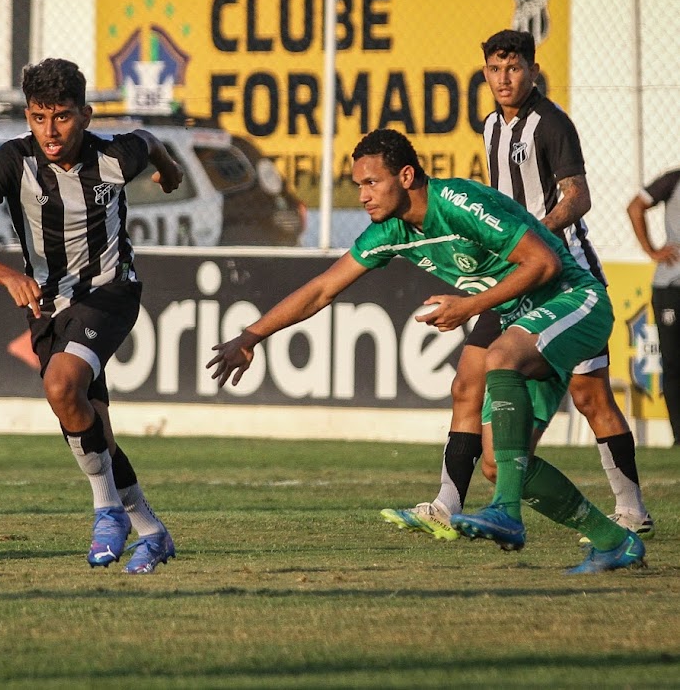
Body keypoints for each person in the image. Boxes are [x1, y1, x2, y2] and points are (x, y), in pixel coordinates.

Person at [208, 128, 646, 573]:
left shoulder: (458, 202)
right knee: (499, 463)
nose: (363, 195)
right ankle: (613, 541)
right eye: (358, 184)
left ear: (406, 175)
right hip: (522, 321)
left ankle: (508, 516)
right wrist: (252, 336)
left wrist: (469, 306)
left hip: (574, 301)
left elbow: (545, 263)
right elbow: (322, 289)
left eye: (371, 183)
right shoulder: (390, 232)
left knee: (498, 358)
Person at [380, 29, 653, 542]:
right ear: (484, 73)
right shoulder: (489, 126)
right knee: (467, 379)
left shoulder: (551, 124)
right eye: (495, 68)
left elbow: (579, 197)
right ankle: (445, 504)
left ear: (532, 70)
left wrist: (532, 239)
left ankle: (630, 509)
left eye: (513, 67)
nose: (504, 78)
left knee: (591, 396)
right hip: (509, 278)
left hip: (562, 275)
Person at [0, 57, 182, 574]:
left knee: (60, 386)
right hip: (47, 305)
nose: (50, 131)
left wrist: (170, 169)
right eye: (38, 117)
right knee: (93, 425)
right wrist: (8, 275)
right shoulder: (13, 161)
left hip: (111, 292)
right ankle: (152, 533)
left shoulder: (115, 159)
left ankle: (105, 512)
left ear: (87, 115)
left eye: (62, 117)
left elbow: (150, 139)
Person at [627, 167, 680, 446]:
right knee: (672, 361)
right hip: (672, 285)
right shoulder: (673, 180)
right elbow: (635, 207)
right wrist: (651, 250)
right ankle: (678, 438)